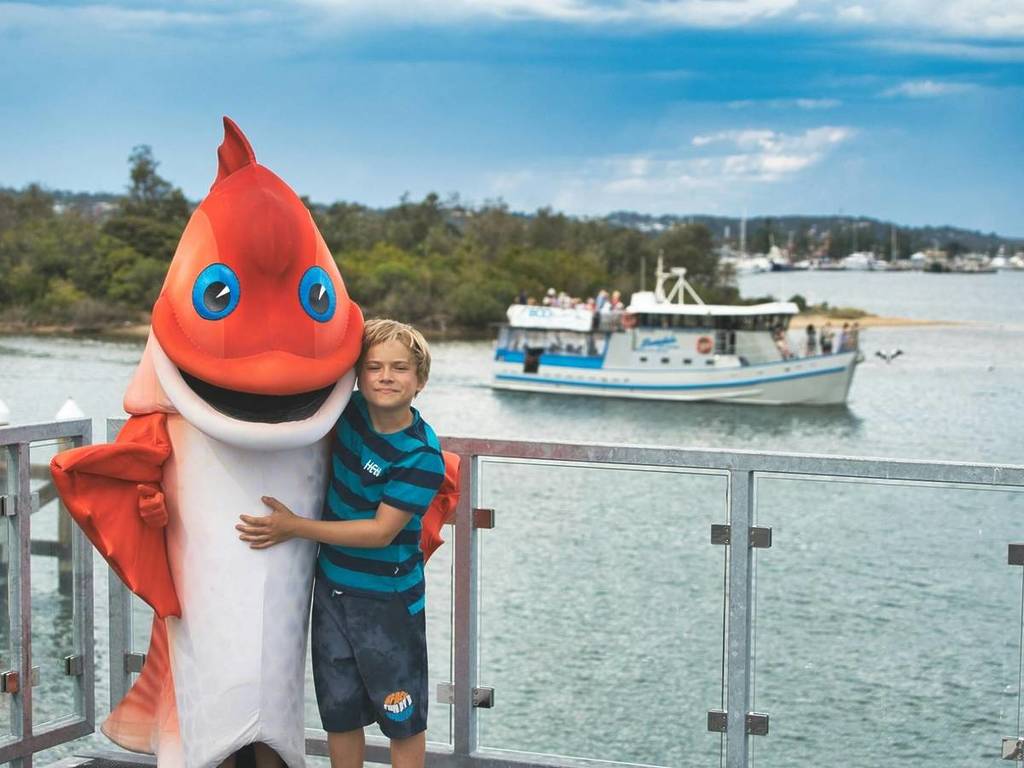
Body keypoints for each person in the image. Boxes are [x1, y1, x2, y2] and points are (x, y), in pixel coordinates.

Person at [236, 319, 445, 768]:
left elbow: (379, 531)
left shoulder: (421, 455)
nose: (386, 377)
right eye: (373, 367)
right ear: (358, 375)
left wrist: (295, 527)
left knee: (401, 715)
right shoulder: (346, 412)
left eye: (400, 368)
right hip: (332, 592)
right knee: (340, 711)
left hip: (387, 604)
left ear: (420, 380)